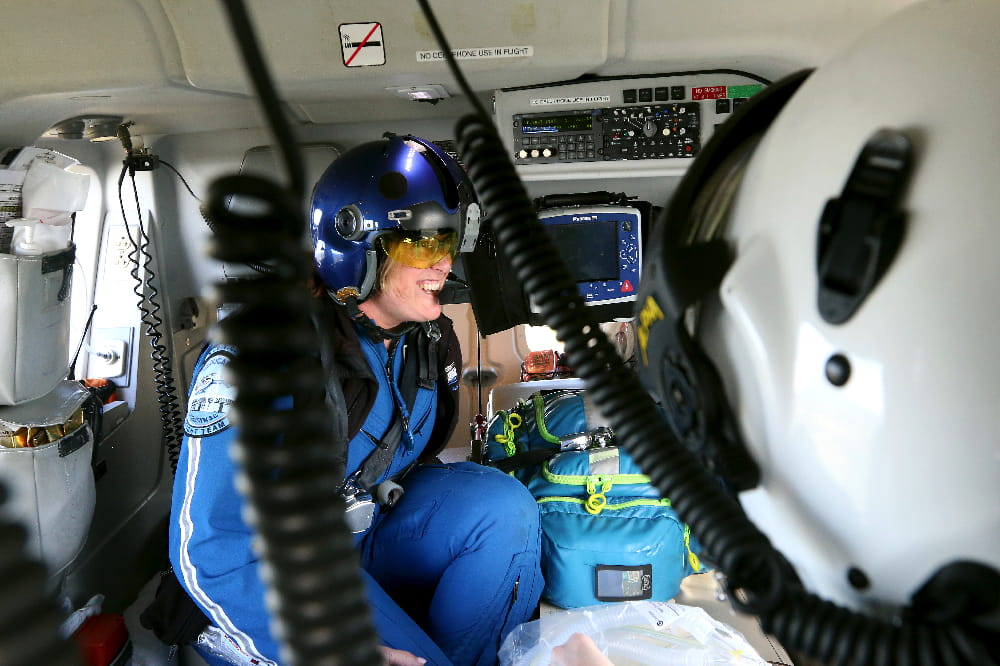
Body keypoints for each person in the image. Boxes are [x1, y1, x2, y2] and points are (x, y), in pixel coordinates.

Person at [170, 134, 544, 666]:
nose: (443, 266)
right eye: (424, 245)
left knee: (501, 506)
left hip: (364, 527)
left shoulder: (425, 340)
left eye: (449, 242)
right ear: (358, 246)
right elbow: (209, 548)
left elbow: (404, 459)